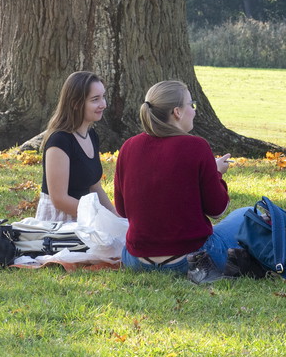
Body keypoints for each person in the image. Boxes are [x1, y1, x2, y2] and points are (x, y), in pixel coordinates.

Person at [113, 80, 247, 281]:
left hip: (135, 259)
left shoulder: (128, 147)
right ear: (177, 112)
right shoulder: (196, 146)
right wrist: (216, 173)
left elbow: (122, 210)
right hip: (191, 259)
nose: (193, 111)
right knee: (246, 214)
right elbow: (217, 210)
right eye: (191, 105)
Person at [37, 70, 119, 221]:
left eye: (103, 97)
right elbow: (59, 200)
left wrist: (115, 216)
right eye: (95, 99)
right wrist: (99, 217)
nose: (103, 104)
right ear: (75, 103)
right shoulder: (59, 141)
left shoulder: (92, 135)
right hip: (60, 224)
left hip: (86, 218)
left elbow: (95, 188)